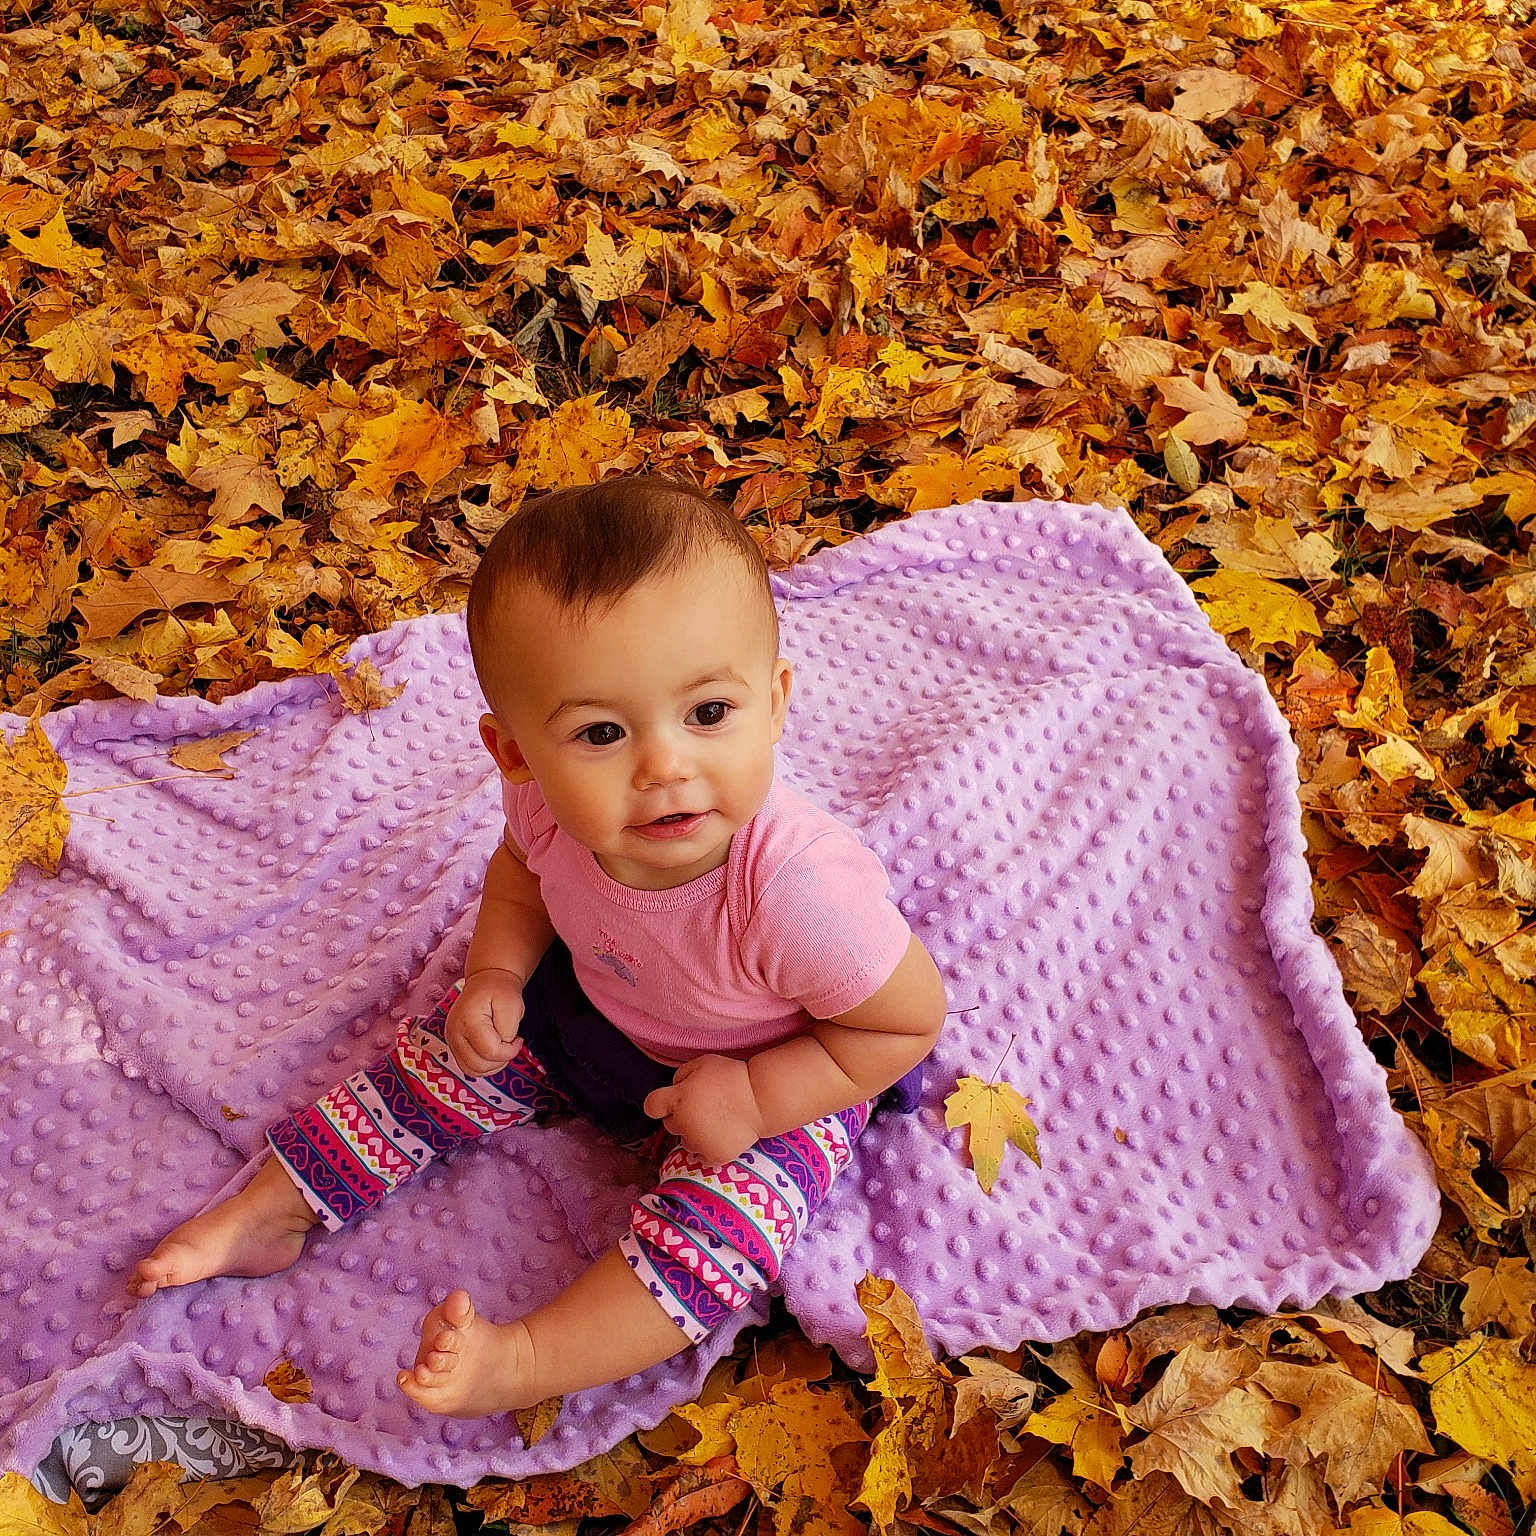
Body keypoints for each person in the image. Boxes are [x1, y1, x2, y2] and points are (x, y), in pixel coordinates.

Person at [128, 475, 946, 1418]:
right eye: (601, 732)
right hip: (589, 1004)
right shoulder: (542, 806)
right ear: (514, 753)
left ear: (776, 700)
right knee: (437, 1063)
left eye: (710, 714)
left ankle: (523, 1361)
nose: (665, 766)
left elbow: (902, 1024)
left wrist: (760, 1098)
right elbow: (521, 873)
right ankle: (275, 1205)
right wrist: (497, 972)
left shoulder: (799, 889)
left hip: (774, 1064)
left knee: (721, 1238)